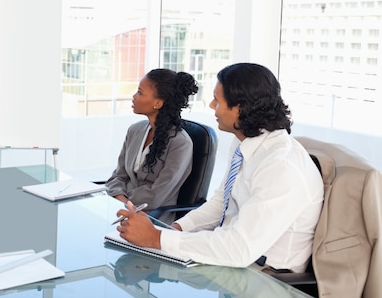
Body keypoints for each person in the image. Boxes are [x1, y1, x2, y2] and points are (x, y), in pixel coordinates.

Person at [115, 63, 324, 273]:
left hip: (266, 275)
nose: (211, 105)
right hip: (232, 258)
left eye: (218, 99)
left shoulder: (281, 167)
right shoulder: (246, 144)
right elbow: (221, 203)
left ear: (239, 108)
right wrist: (175, 229)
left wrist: (158, 238)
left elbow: (239, 248)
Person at [105, 68, 199, 224]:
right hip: (121, 209)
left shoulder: (180, 143)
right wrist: (121, 200)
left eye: (140, 93)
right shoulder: (135, 130)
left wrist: (123, 200)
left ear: (158, 103)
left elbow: (157, 194)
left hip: (153, 217)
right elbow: (118, 176)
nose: (134, 97)